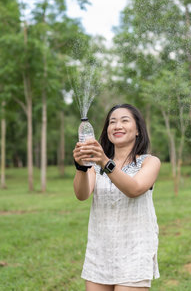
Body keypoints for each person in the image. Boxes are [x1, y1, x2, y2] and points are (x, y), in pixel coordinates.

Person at [73, 104, 161, 291]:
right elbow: (82, 194)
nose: (117, 126)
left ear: (138, 130)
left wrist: (105, 161)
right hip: (100, 251)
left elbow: (134, 188)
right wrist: (81, 167)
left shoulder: (149, 162)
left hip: (135, 252)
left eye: (124, 120)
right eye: (112, 122)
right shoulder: (95, 166)